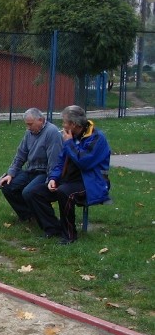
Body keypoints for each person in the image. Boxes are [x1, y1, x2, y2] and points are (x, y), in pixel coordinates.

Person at [26, 105, 111, 245]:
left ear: (74, 124)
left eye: (65, 122)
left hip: (91, 182)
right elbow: (60, 161)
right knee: (35, 193)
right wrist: (53, 178)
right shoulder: (71, 137)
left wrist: (69, 143)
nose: (63, 125)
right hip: (69, 180)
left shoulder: (96, 138)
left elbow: (84, 162)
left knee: (65, 192)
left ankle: (69, 236)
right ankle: (53, 228)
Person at [0, 108, 62, 222]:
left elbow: (54, 160)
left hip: (44, 172)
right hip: (31, 171)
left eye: (30, 124)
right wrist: (10, 174)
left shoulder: (52, 132)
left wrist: (51, 179)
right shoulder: (29, 133)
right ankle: (28, 215)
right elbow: (21, 155)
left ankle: (46, 219)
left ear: (40, 120)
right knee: (7, 186)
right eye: (27, 125)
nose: (28, 128)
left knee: (29, 192)